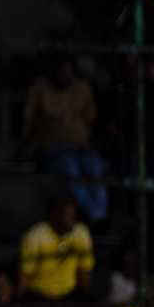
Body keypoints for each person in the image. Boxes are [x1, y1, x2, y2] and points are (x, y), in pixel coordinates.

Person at [19, 57, 105, 225]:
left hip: (81, 149)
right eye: (62, 71)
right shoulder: (40, 88)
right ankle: (94, 214)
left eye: (69, 71)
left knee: (96, 168)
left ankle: (100, 214)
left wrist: (85, 142)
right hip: (54, 151)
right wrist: (22, 150)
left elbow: (90, 122)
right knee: (70, 170)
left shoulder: (83, 88)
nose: (66, 75)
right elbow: (28, 124)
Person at [18, 196, 94, 302]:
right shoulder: (35, 236)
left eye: (74, 215)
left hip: (69, 294)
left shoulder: (81, 234)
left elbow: (85, 272)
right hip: (39, 294)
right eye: (69, 216)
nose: (74, 219)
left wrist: (88, 298)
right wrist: (17, 301)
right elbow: (25, 275)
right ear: (54, 217)